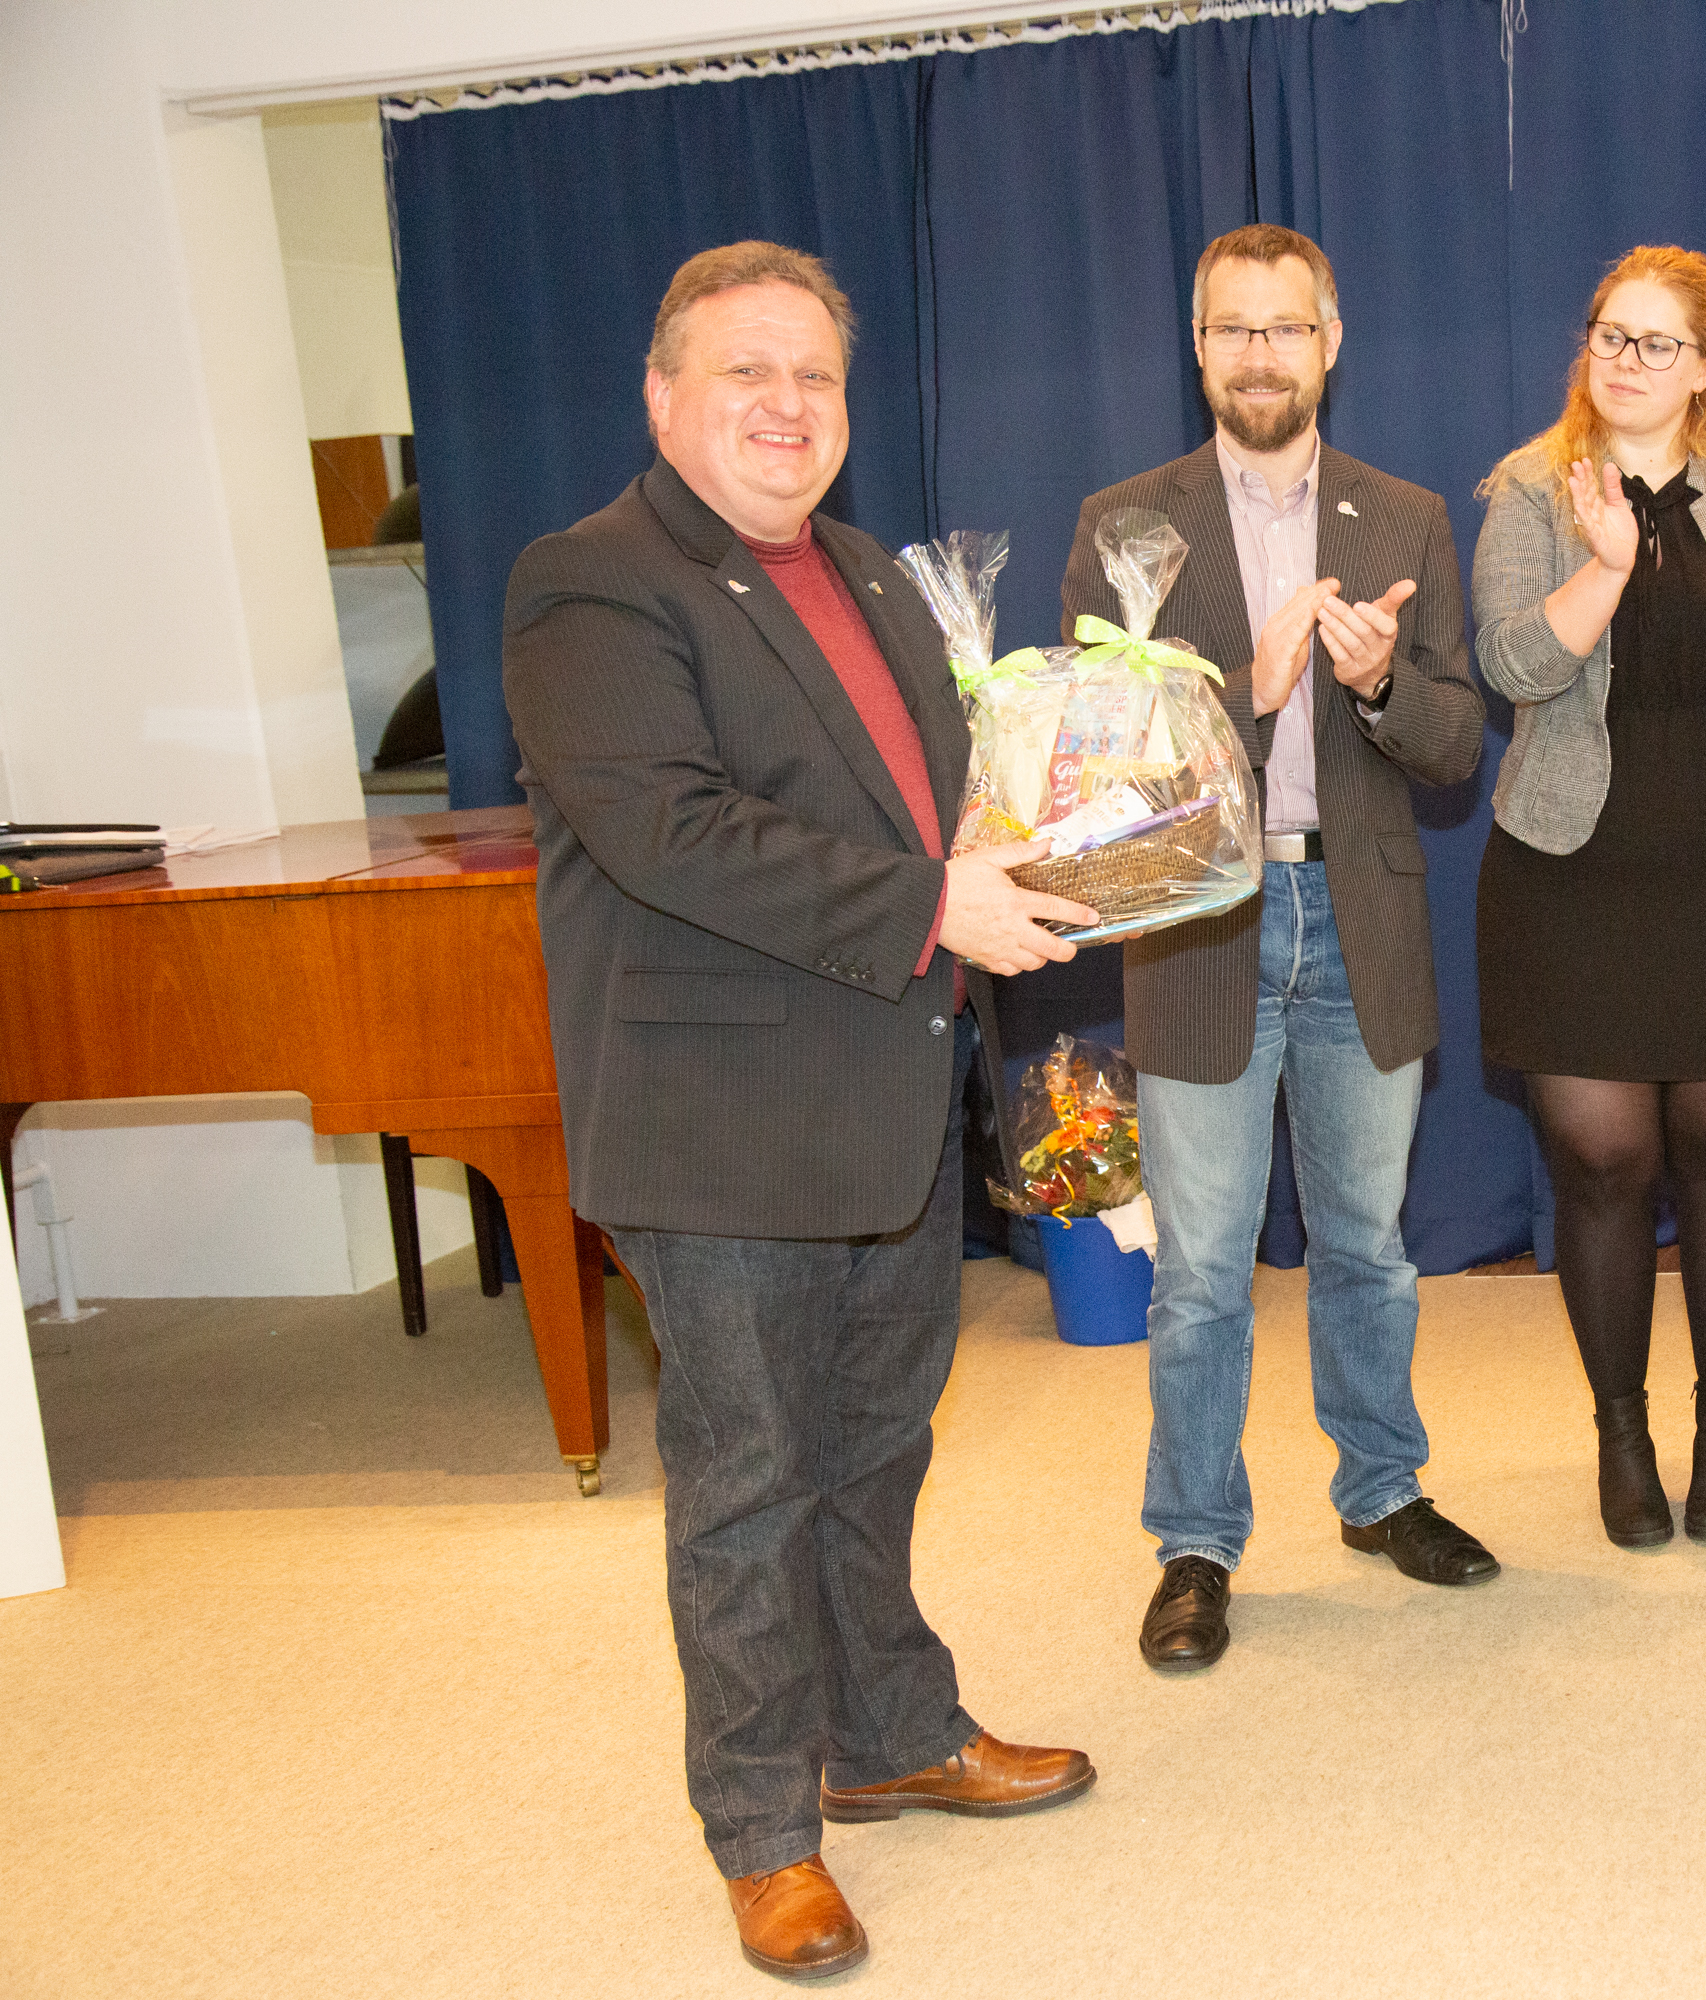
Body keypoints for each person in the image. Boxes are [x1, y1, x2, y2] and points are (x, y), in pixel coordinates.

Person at [504, 242, 1100, 1982]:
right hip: (719, 1116)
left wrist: (1072, 822)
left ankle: (893, 1730)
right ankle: (764, 1832)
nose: (786, 407)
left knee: (878, 1448)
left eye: (816, 379)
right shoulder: (591, 583)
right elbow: (669, 830)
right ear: (663, 393)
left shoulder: (867, 570)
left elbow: (939, 794)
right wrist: (935, 904)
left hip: (890, 1087)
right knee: (750, 1481)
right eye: (745, 372)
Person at [1061, 225, 1490, 1673]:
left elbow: (1454, 748)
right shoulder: (1128, 525)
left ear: (1330, 342)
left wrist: (1374, 687)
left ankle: (1382, 1490)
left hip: (1357, 917)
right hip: (1201, 932)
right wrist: (1256, 686)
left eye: (1285, 330)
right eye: (1233, 330)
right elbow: (1105, 778)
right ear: (1198, 348)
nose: (1260, 355)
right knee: (1201, 1271)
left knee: (1369, 1246)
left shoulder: (1405, 514)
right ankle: (1195, 1539)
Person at [1471, 245, 1706, 1548]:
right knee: (1604, 1163)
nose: (1624, 363)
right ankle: (1619, 1430)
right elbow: (1511, 664)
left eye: (1654, 344)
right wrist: (1612, 566)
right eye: (1608, 337)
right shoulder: (1532, 487)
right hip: (1575, 874)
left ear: (1704, 367)